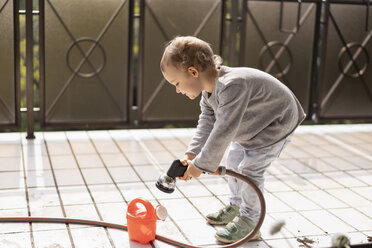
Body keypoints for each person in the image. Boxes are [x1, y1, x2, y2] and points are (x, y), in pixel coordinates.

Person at [160, 36, 306, 244]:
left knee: (250, 169)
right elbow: (208, 121)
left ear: (193, 72)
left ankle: (251, 222)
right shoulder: (209, 91)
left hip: (276, 123)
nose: (177, 90)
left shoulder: (232, 85)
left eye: (176, 83)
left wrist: (200, 165)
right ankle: (237, 206)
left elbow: (223, 131)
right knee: (234, 162)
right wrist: (192, 154)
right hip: (254, 124)